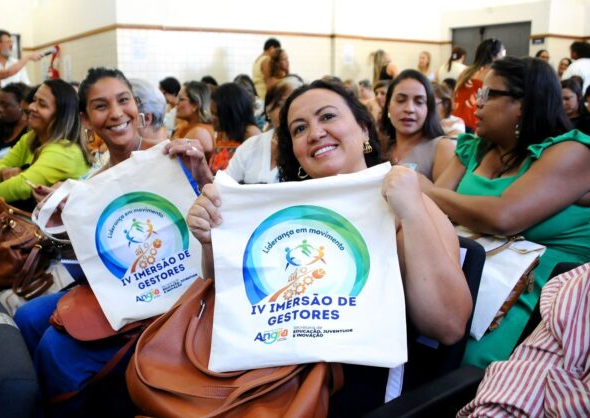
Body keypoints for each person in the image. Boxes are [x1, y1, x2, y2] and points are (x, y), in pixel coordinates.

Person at [187, 79, 471, 413]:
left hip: (356, 390)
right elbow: (231, 303)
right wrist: (211, 240)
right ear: (294, 151)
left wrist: (411, 212)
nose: (315, 133)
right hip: (267, 380)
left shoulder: (405, 200)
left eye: (327, 117)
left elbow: (448, 325)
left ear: (364, 130)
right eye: (300, 128)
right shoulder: (280, 214)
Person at [14, 67, 207, 418]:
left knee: (56, 348)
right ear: (86, 120)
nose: (116, 113)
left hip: (176, 288)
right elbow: (91, 255)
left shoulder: (173, 157)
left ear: (138, 107)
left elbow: (219, 214)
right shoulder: (93, 181)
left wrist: (203, 175)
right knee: (26, 318)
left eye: (123, 100)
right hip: (121, 284)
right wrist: (62, 222)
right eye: (101, 106)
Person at [420, 56, 590, 368]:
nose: (476, 103)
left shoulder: (572, 152)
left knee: (466, 362)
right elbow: (431, 212)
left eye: (487, 94)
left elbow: (503, 217)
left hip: (540, 296)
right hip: (469, 277)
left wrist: (427, 190)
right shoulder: (473, 148)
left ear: (522, 104)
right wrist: (434, 199)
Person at [457, 263, 590, 417]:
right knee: (471, 356)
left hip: (532, 277)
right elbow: (527, 382)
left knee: (477, 356)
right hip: (511, 267)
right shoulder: (582, 290)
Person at [0, 79, 90, 212]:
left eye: (42, 105)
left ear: (60, 116)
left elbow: (22, 186)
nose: (31, 107)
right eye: (34, 100)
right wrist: (3, 172)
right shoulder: (30, 138)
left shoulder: (65, 150)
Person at [225, 77, 303, 184]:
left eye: (296, 103)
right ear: (268, 110)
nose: (288, 110)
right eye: (281, 104)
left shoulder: (310, 146)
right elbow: (226, 183)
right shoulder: (251, 146)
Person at [380, 70, 454, 181]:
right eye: (401, 100)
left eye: (419, 102)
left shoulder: (442, 147)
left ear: (429, 109)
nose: (409, 109)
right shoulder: (381, 147)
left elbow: (443, 192)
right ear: (388, 106)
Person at [452, 39, 505, 132]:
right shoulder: (491, 73)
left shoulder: (466, 71)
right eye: (502, 53)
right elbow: (482, 101)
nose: (504, 57)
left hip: (456, 118)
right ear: (493, 56)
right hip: (472, 120)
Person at [208, 83, 261, 173]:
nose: (211, 118)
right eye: (211, 113)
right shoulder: (223, 132)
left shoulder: (250, 133)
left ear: (232, 113)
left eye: (216, 114)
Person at [172, 81, 215, 155]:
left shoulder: (199, 132)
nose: (176, 103)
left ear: (195, 105)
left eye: (181, 99)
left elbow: (173, 157)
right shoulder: (188, 126)